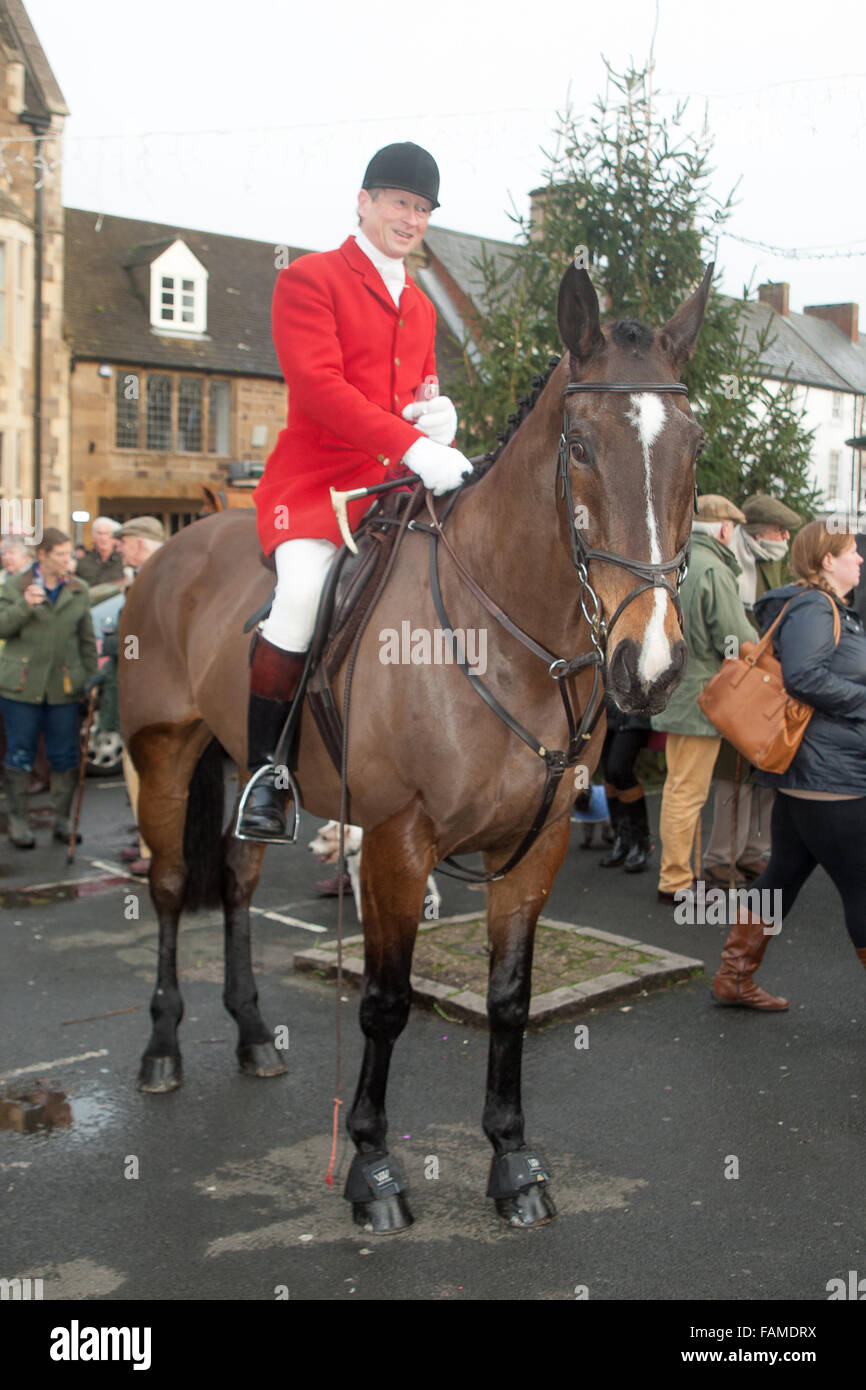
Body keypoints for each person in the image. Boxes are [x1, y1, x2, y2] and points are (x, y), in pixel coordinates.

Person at [240, 141, 474, 840]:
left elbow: (419, 390)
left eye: (423, 208)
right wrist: (415, 445)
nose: (412, 218)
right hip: (318, 489)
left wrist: (438, 416)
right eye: (401, 202)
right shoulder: (311, 280)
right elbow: (320, 390)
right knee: (305, 596)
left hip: (398, 490)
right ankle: (265, 773)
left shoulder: (422, 305)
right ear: (365, 201)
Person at [712, 520, 866, 1009]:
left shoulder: (829, 609)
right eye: (852, 551)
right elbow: (803, 678)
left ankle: (733, 979)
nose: (860, 559)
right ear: (826, 561)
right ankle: (733, 978)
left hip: (811, 774)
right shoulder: (816, 608)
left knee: (782, 874)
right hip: (830, 779)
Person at [652, 496, 756, 904]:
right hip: (702, 695)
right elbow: (735, 637)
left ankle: (680, 877)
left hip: (678, 689)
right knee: (686, 792)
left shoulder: (680, 562)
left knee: (679, 788)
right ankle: (676, 881)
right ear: (725, 530)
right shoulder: (714, 568)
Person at [703, 493, 801, 887]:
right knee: (734, 776)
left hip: (771, 684)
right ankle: (719, 860)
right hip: (740, 685)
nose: (785, 537)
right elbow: (732, 634)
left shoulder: (772, 565)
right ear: (759, 531)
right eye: (780, 530)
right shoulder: (731, 567)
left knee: (766, 773)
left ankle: (754, 853)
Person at [0, 527, 98, 847]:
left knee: (65, 754)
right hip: (22, 686)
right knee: (21, 752)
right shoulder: (16, 586)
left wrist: (90, 678)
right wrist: (24, 606)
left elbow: (85, 638)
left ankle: (62, 820)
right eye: (60, 555)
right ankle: (18, 822)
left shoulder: (78, 589)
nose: (67, 561)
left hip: (64, 686)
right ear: (42, 556)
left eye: (69, 554)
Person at [112, 517, 166, 875]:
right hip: (148, 687)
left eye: (125, 541)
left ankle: (157, 848)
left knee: (152, 771)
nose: (119, 548)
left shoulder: (156, 578)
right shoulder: (149, 575)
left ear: (142, 544)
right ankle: (150, 836)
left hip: (155, 693)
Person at [596, 695, 652, 872]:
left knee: (618, 770)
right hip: (604, 708)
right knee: (609, 776)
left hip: (635, 707)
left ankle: (639, 840)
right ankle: (621, 838)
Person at [76, 517, 124, 587]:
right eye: (99, 533)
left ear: (114, 539)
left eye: (107, 534)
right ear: (93, 537)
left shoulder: (123, 562)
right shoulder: (82, 563)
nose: (103, 538)